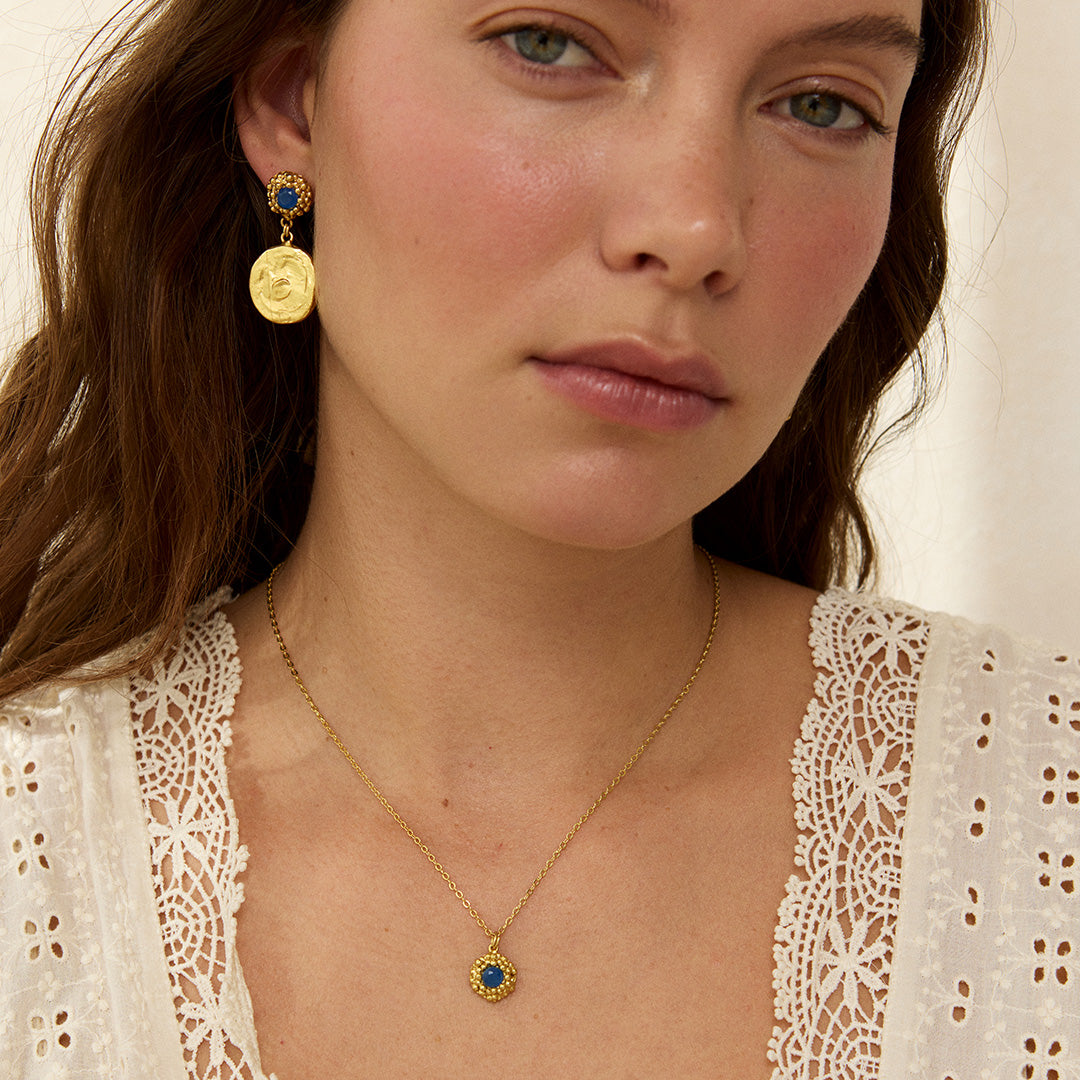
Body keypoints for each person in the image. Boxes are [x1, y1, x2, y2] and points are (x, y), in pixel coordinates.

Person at [2, 0, 1077, 1076]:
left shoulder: (1046, 821)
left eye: (823, 106)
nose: (696, 230)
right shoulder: (29, 853)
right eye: (550, 45)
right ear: (295, 104)